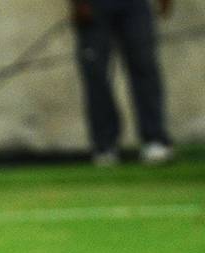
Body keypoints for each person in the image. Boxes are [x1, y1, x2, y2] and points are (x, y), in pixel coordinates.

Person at [71, 0, 173, 165]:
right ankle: (105, 145)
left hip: (135, 5)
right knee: (96, 73)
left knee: (144, 66)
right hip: (94, 5)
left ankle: (154, 138)